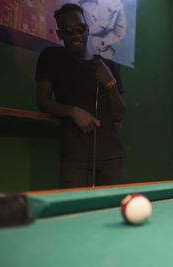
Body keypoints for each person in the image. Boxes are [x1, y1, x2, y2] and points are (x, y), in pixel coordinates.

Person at [35, 3, 126, 188]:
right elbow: (43, 102)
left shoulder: (107, 66)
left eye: (80, 28)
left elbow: (119, 114)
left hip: (111, 157)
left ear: (87, 29)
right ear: (60, 35)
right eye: (68, 31)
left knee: (109, 213)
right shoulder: (51, 57)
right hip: (75, 157)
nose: (76, 35)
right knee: (74, 214)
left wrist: (109, 82)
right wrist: (72, 111)